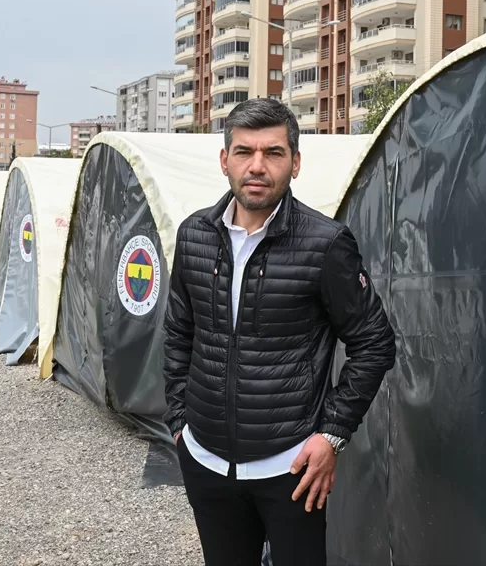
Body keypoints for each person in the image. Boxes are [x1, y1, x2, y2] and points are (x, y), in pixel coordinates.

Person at [163, 98, 396, 566]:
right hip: (205, 460)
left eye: (273, 152)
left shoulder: (325, 244)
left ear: (295, 163)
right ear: (224, 160)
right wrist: (179, 422)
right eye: (244, 151)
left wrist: (331, 435)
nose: (257, 166)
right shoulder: (194, 235)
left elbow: (375, 343)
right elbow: (179, 331)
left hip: (291, 467)